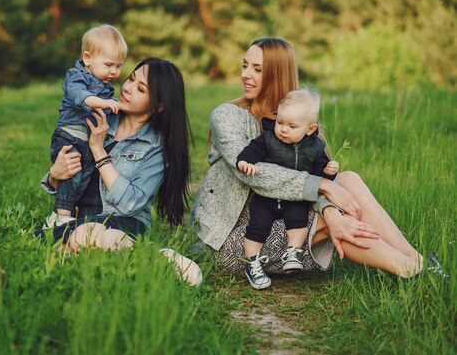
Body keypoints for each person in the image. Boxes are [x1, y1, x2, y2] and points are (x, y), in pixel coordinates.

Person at [191, 37, 449, 284]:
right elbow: (254, 173)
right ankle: (412, 272)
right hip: (235, 239)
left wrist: (328, 206)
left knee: (348, 180)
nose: (246, 74)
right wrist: (326, 197)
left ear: (277, 75)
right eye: (245, 65)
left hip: (282, 215)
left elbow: (317, 173)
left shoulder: (297, 121)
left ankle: (420, 264)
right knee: (336, 217)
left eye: (257, 69)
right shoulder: (227, 116)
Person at [39, 57, 203, 286]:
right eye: (131, 79)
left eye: (140, 88)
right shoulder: (100, 112)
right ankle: (146, 261)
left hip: (124, 221)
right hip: (80, 216)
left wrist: (98, 149)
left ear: (158, 106)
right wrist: (54, 175)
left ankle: (150, 259)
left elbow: (130, 205)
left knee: (82, 237)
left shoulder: (157, 146)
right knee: (72, 241)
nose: (127, 88)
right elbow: (68, 176)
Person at [235, 89, 339, 289]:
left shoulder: (316, 147)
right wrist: (245, 162)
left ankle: (293, 251)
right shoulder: (268, 139)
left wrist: (328, 171)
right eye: (280, 122)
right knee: (258, 226)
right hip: (266, 197)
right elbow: (250, 151)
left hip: (295, 199)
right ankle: (252, 262)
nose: (283, 129)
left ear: (310, 129)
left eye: (292, 126)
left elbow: (318, 178)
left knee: (298, 221)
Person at [44, 24, 127, 229]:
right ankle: (63, 216)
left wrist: (119, 104)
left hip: (87, 141)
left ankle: (57, 216)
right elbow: (81, 97)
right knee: (72, 174)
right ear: (88, 58)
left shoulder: (105, 84)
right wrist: (105, 103)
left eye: (118, 66)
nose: (114, 71)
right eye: (109, 65)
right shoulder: (76, 76)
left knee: (84, 177)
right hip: (69, 136)